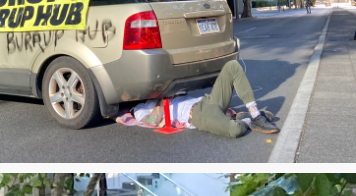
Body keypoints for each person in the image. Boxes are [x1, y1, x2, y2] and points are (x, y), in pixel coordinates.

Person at [114, 61, 279, 137]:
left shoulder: (170, 87)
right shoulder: (141, 107)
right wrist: (160, 100)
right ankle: (246, 120)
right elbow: (152, 121)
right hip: (198, 116)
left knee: (232, 66)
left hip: (207, 101)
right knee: (235, 130)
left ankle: (256, 115)